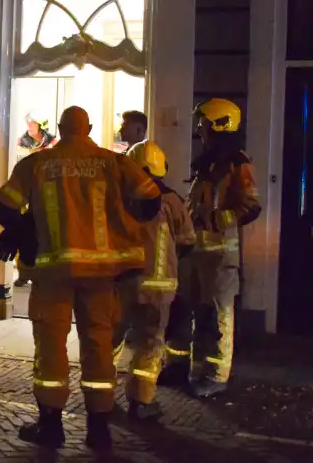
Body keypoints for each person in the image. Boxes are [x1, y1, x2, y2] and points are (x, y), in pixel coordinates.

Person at [0, 106, 162, 449]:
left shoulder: (36, 164)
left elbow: (6, 206)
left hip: (52, 272)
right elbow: (151, 197)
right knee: (99, 345)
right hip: (100, 274)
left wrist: (25, 228)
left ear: (60, 128)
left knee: (51, 347)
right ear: (89, 128)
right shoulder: (113, 162)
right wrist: (123, 221)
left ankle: (51, 426)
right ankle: (99, 430)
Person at [165, 98, 261, 399]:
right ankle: (181, 367)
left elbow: (251, 206)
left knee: (218, 315)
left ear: (220, 125)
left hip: (219, 255)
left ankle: (217, 375)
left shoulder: (237, 163)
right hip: (194, 253)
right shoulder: (208, 163)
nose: (199, 129)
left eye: (203, 122)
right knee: (186, 310)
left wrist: (217, 218)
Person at [114, 140, 195, 421]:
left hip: (121, 282)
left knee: (110, 339)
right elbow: (187, 242)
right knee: (150, 344)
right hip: (160, 287)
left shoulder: (118, 198)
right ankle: (141, 402)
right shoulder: (173, 201)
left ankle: (99, 396)